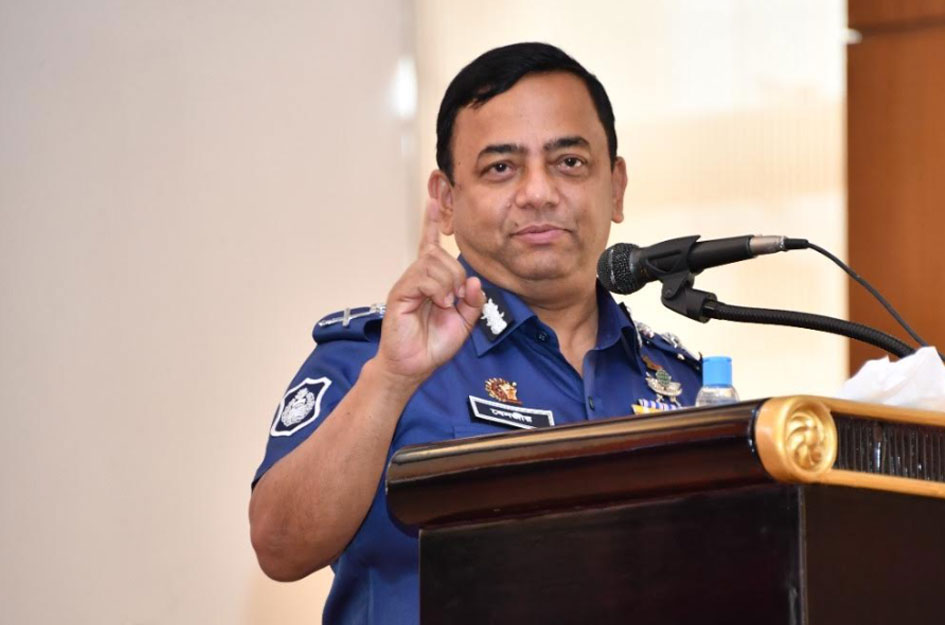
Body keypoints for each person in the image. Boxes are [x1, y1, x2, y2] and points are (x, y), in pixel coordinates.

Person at [248, 42, 701, 624]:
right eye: (501, 168)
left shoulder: (680, 384)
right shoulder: (376, 357)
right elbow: (280, 547)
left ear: (615, 187)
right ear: (446, 201)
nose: (539, 192)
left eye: (569, 162)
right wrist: (392, 380)